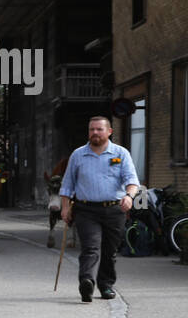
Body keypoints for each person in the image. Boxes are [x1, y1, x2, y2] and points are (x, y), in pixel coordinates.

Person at [59, 115, 140, 302]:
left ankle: (106, 285)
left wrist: (129, 196)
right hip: (86, 210)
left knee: (109, 250)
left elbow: (132, 181)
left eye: (99, 129)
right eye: (91, 129)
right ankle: (86, 282)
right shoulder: (78, 154)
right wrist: (65, 208)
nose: (94, 133)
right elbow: (67, 184)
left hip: (114, 210)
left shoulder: (120, 154)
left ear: (109, 131)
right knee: (90, 247)